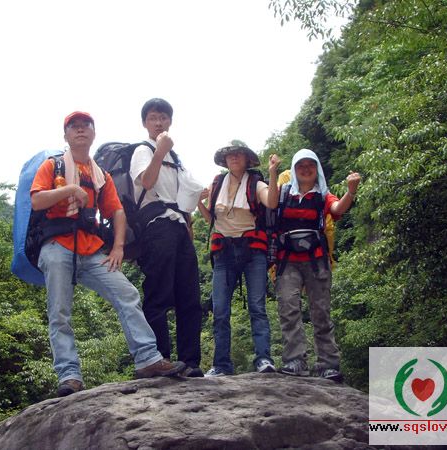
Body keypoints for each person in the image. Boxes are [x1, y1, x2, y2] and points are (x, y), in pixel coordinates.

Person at [31, 111, 185, 397]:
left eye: (85, 126)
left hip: (92, 250)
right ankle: (69, 376)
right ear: (66, 135)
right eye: (74, 127)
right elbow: (38, 200)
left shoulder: (100, 174)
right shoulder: (52, 166)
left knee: (127, 293)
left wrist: (118, 247)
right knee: (60, 312)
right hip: (57, 246)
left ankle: (147, 359)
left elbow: (116, 211)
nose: (80, 130)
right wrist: (71, 189)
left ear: (93, 133)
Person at [129, 98, 204, 377]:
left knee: (190, 296)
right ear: (145, 123)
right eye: (153, 118)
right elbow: (147, 182)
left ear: (170, 121)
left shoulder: (176, 157)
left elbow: (184, 199)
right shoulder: (143, 150)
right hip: (156, 227)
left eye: (163, 117)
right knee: (158, 294)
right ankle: (159, 360)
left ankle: (190, 362)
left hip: (180, 226)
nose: (159, 123)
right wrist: (159, 151)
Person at [274, 148, 361, 382]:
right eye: (300, 165)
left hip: (316, 260)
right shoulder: (283, 194)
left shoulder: (323, 195)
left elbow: (338, 209)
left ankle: (328, 365)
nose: (305, 169)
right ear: (294, 169)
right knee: (288, 309)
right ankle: (295, 361)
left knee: (321, 312)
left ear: (317, 169)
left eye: (310, 165)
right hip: (287, 260)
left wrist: (351, 191)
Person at [197, 143, 280, 376]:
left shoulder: (256, 183)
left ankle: (264, 359)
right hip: (224, 251)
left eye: (238, 154)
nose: (233, 158)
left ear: (247, 159)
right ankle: (221, 364)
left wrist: (273, 173)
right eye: (229, 155)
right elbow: (211, 219)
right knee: (220, 309)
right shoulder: (216, 184)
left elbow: (272, 202)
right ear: (225, 161)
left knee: (257, 307)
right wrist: (198, 201)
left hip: (253, 251)